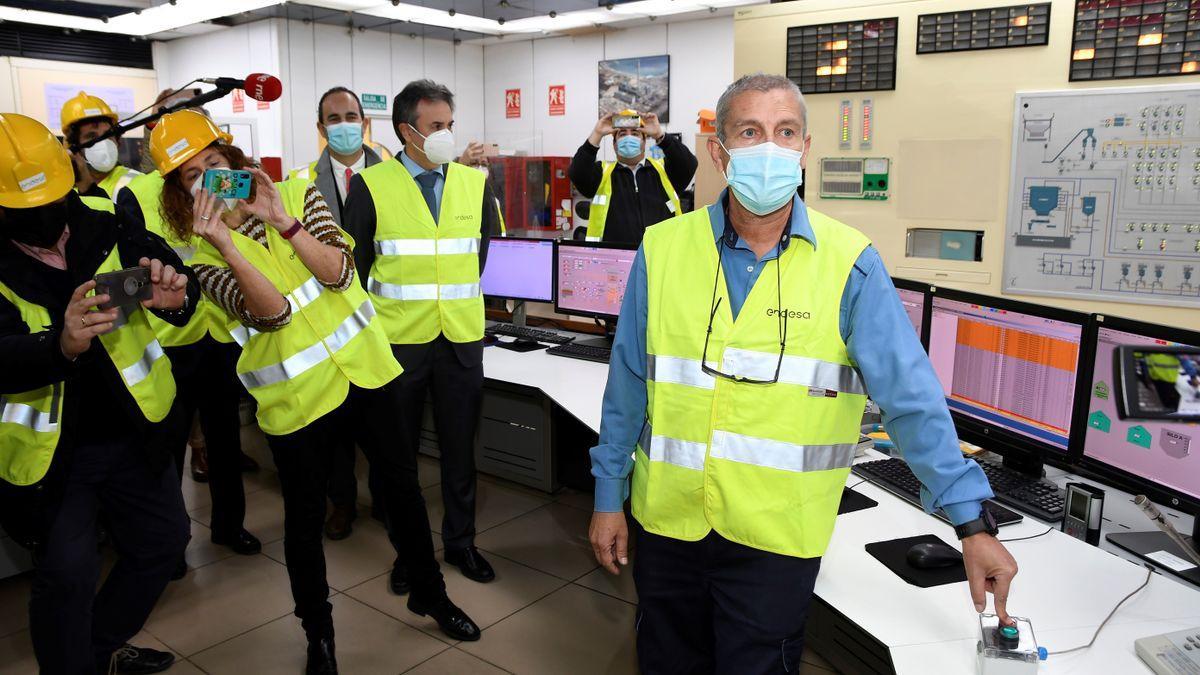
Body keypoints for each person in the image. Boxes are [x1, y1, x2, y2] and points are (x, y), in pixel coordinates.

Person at [587, 74, 1019, 673]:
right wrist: (609, 495)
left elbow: (911, 399)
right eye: (750, 132)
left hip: (776, 540)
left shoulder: (851, 264)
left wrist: (972, 521)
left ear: (804, 149)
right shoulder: (662, 249)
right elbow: (628, 382)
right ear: (720, 151)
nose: (770, 146)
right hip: (668, 526)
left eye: (785, 132)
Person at [149, 110, 480, 672]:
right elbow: (272, 316)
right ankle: (318, 633)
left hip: (367, 375)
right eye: (190, 176)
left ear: (232, 161)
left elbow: (339, 273)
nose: (209, 178)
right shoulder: (205, 261)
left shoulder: (300, 194)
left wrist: (281, 222)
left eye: (213, 163)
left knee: (402, 492)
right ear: (181, 196)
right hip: (297, 401)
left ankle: (432, 592)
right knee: (304, 523)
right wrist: (228, 243)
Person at [0, 112, 196, 674]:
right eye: (21, 207)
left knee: (163, 545)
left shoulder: (108, 220)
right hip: (53, 455)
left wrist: (173, 292)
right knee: (66, 576)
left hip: (137, 431)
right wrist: (57, 347)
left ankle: (97, 650)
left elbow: (180, 281)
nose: (41, 214)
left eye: (51, 198)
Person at [343, 79, 502, 587]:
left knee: (460, 454)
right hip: (398, 345)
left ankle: (461, 544)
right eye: (436, 127)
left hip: (459, 342)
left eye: (450, 125)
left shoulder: (475, 185)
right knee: (398, 461)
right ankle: (409, 557)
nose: (446, 135)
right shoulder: (369, 186)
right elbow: (356, 269)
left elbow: (479, 256)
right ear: (406, 131)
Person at [116, 139, 262, 576]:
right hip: (168, 341)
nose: (202, 174)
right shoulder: (135, 195)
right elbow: (129, 269)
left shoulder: (231, 186)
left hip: (218, 333)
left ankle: (229, 526)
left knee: (225, 438)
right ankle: (171, 542)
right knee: (166, 447)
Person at [288, 85, 389, 541]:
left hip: (385, 317)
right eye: (334, 118)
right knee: (335, 425)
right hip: (328, 320)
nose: (345, 125)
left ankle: (386, 503)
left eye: (352, 116)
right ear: (320, 127)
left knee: (385, 426)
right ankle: (342, 503)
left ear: (365, 124)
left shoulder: (392, 175)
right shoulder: (300, 183)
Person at [569, 108, 697, 245]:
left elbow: (689, 164)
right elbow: (577, 173)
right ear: (614, 144)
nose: (629, 137)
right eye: (622, 134)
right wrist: (597, 134)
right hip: (617, 260)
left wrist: (660, 135)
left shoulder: (663, 170)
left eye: (635, 133)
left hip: (663, 257)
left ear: (644, 142)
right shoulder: (602, 173)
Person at [61, 91, 141, 208]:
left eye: (108, 135)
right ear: (74, 148)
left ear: (117, 141)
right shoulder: (66, 195)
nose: (103, 143)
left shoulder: (140, 183)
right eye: (91, 136)